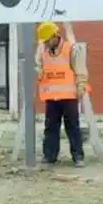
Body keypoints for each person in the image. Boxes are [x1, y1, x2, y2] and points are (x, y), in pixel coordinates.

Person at [35, 21, 88, 168]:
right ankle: (49, 156)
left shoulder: (70, 49)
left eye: (47, 40)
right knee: (50, 127)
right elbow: (39, 67)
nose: (46, 43)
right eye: (44, 41)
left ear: (55, 36)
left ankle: (78, 156)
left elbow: (80, 70)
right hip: (51, 97)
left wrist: (81, 85)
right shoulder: (44, 50)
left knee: (73, 127)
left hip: (69, 96)